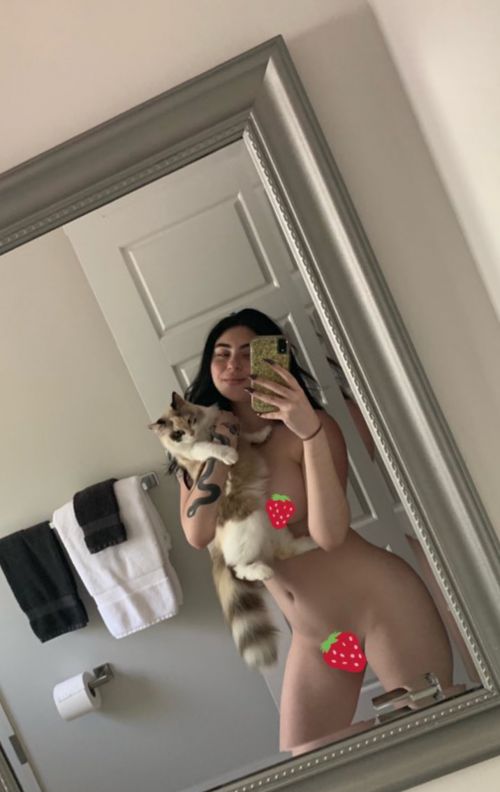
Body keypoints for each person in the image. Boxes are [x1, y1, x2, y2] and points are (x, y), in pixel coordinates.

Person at [173, 308, 457, 756]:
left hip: (379, 602)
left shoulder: (309, 431)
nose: (233, 364)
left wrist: (310, 435)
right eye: (221, 354)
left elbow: (329, 535)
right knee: (309, 758)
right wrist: (219, 450)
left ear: (274, 359)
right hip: (316, 634)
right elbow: (197, 533)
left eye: (248, 353)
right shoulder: (198, 456)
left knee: (432, 738)